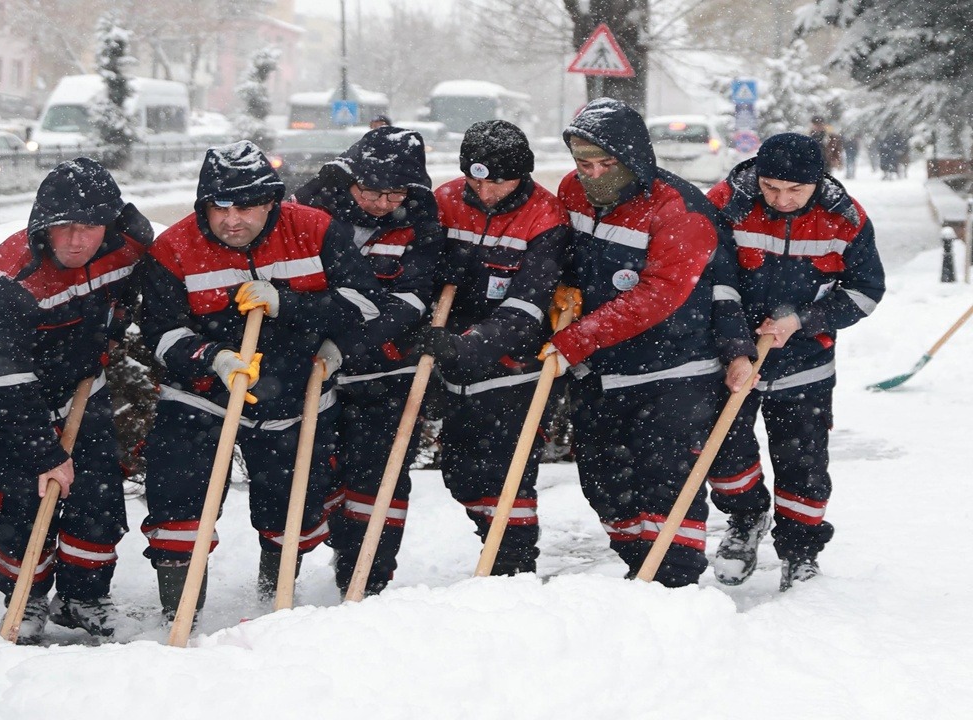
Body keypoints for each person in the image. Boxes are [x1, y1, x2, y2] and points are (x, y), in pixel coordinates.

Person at [139, 140, 397, 617]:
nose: (232, 220)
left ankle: (273, 598)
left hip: (296, 388)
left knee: (291, 504)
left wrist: (288, 304)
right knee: (178, 495)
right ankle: (179, 611)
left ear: (271, 203)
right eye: (219, 207)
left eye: (246, 206)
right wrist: (211, 357)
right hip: (203, 394)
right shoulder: (173, 248)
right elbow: (158, 331)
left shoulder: (315, 231)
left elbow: (366, 304)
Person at [0, 157, 153, 643]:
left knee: (98, 494)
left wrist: (114, 320)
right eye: (63, 228)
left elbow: (134, 283)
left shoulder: (125, 247)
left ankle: (84, 595)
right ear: (42, 225)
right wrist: (45, 454)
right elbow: (6, 379)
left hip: (81, 391)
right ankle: (27, 595)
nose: (77, 241)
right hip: (1, 409)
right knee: (23, 502)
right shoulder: (7, 281)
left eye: (89, 227)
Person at [548, 97, 749, 587]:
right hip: (598, 371)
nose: (594, 174)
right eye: (585, 163)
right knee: (606, 488)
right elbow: (565, 253)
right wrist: (563, 291)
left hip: (672, 370)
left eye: (606, 164)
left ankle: (674, 590)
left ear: (634, 157)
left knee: (666, 488)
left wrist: (578, 338)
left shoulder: (681, 211)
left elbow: (659, 294)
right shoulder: (572, 191)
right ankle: (639, 575)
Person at [705, 133, 885, 591]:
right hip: (732, 355)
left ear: (817, 183)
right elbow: (703, 276)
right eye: (771, 188)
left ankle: (801, 552)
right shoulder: (726, 203)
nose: (782, 200)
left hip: (805, 361)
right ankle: (746, 519)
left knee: (803, 462)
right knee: (722, 450)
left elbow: (865, 292)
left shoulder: (846, 218)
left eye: (796, 191)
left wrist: (805, 320)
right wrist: (735, 346)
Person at [292, 125, 444, 595]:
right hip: (311, 372)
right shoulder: (309, 211)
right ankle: (287, 568)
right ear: (350, 179)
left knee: (379, 479)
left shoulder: (421, 222)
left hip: (387, 368)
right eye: (372, 192)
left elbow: (410, 302)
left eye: (394, 193)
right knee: (311, 475)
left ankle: (367, 579)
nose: (382, 203)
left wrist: (350, 341)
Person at [415, 120, 570, 577]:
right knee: (462, 473)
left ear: (521, 176)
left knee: (507, 473)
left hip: (513, 364)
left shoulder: (546, 217)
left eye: (496, 182)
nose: (484, 192)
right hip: (451, 358)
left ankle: (513, 566)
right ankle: (493, 542)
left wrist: (469, 345)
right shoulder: (443, 202)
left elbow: (526, 306)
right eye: (475, 180)